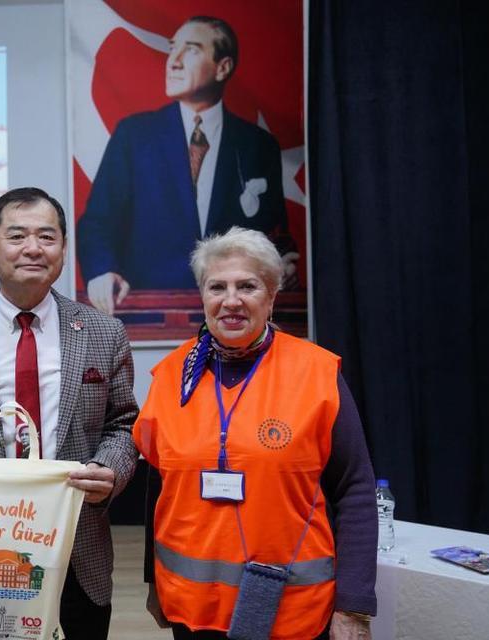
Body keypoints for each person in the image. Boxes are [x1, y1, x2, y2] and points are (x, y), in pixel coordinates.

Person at [0, 187, 140, 639]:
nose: (33, 248)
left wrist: (110, 471)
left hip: (76, 544)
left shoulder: (104, 331)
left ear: (63, 248)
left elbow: (123, 424)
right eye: (17, 236)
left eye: (47, 236)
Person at [134, 227, 377, 639]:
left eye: (247, 286)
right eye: (217, 287)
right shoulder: (171, 376)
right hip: (192, 606)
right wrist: (154, 582)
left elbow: (355, 488)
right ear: (203, 296)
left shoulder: (317, 373)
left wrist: (354, 604)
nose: (231, 300)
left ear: (271, 296)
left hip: (293, 609)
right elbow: (158, 487)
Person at [77, 15, 297, 315]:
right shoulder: (134, 136)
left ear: (223, 67)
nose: (174, 61)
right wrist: (102, 271)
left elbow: (274, 234)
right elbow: (97, 222)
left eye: (191, 49)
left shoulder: (258, 145)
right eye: (172, 48)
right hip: (149, 312)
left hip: (233, 310)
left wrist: (284, 263)